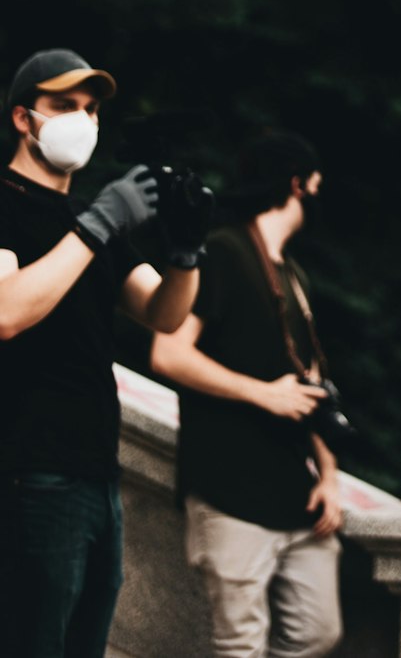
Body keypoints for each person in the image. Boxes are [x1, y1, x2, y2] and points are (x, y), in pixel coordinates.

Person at [0, 46, 210, 658]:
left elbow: (164, 314)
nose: (83, 121)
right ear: (22, 118)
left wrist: (186, 252)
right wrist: (99, 221)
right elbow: (8, 313)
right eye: (63, 105)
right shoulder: (13, 207)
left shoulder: (85, 224)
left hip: (96, 475)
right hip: (27, 469)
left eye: (91, 109)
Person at [150, 130, 344, 658]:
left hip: (298, 495)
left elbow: (305, 390)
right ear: (296, 184)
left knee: (318, 632)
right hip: (229, 489)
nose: (317, 197)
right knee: (239, 645)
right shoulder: (223, 250)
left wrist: (328, 475)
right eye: (316, 185)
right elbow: (167, 353)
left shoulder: (293, 276)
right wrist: (263, 395)